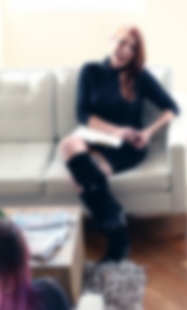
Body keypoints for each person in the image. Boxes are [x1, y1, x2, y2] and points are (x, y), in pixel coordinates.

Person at [57, 26, 178, 262]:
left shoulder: (139, 76)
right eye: (122, 42)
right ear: (111, 41)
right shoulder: (90, 70)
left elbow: (172, 108)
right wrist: (116, 131)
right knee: (67, 145)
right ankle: (115, 218)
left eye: (132, 47)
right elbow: (82, 113)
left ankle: (116, 238)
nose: (126, 50)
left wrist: (148, 132)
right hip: (96, 137)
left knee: (82, 178)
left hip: (127, 147)